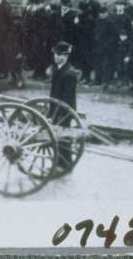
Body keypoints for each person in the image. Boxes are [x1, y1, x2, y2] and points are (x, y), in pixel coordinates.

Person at [49, 41, 79, 172]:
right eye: (55, 54)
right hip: (56, 108)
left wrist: (61, 113)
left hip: (64, 110)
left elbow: (68, 97)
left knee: (63, 137)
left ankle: (65, 165)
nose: (56, 57)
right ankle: (60, 163)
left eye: (59, 55)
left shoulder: (69, 73)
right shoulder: (58, 68)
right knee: (57, 137)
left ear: (66, 56)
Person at [95, 0, 128, 88]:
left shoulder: (127, 17)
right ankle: (109, 80)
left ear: (124, 6)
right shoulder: (111, 16)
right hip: (111, 43)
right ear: (116, 6)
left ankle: (121, 80)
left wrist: (125, 38)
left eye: (121, 5)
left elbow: (129, 30)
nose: (119, 6)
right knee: (110, 62)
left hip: (122, 41)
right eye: (118, 5)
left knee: (121, 62)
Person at [76, 0, 101, 84]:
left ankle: (88, 77)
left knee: (88, 56)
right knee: (82, 54)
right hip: (82, 32)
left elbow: (97, 19)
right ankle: (83, 75)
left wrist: (91, 21)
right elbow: (79, 16)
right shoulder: (81, 3)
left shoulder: (95, 4)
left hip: (90, 34)